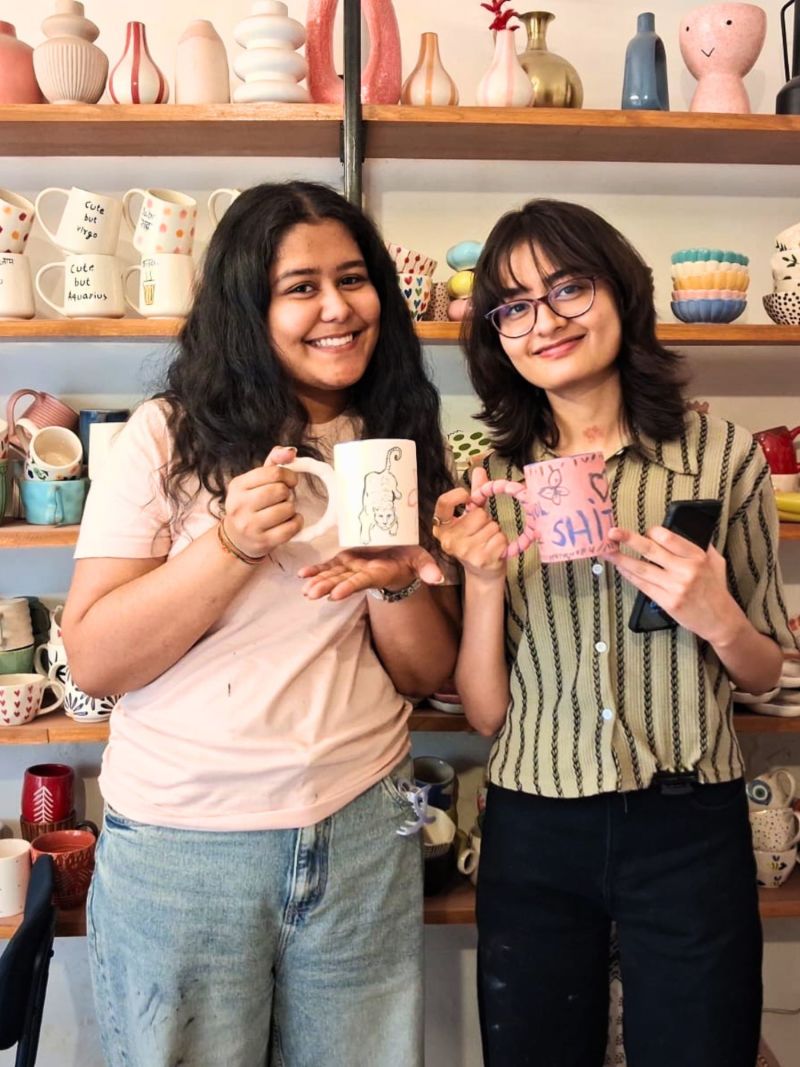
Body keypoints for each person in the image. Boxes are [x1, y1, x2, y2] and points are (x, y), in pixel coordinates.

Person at [61, 180, 459, 1067]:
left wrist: (394, 584)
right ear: (249, 308)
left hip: (362, 828)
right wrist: (232, 544)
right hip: (185, 846)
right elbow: (94, 659)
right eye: (300, 287)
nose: (337, 308)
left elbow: (421, 672)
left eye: (352, 279)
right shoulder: (165, 437)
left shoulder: (391, 438)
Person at [432, 198, 796, 1067]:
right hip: (534, 822)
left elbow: (761, 670)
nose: (545, 321)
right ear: (496, 335)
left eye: (569, 288)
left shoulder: (723, 455)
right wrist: (482, 579)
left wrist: (716, 614)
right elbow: (486, 712)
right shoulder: (490, 476)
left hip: (688, 821)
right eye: (514, 306)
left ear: (621, 292)